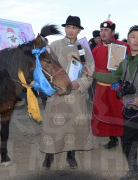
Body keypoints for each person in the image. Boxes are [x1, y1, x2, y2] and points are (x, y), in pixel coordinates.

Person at [86, 25, 138, 180]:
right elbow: (113, 78)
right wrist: (93, 74)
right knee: (128, 142)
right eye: (133, 37)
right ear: (128, 41)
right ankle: (133, 171)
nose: (136, 40)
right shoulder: (124, 63)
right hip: (129, 109)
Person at [40, 15, 94, 170]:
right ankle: (48, 155)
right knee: (53, 123)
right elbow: (46, 66)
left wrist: (81, 82)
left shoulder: (83, 48)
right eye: (69, 27)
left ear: (78, 30)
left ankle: (71, 155)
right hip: (58, 92)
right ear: (65, 28)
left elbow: (90, 68)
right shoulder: (55, 45)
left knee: (74, 125)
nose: (71, 30)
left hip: (77, 93)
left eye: (74, 28)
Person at [91, 19, 130, 150]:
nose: (103, 33)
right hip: (101, 87)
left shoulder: (122, 46)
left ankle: (124, 138)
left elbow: (131, 61)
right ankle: (112, 139)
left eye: (106, 30)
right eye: (101, 30)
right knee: (105, 114)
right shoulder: (96, 49)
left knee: (117, 113)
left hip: (115, 87)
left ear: (112, 32)